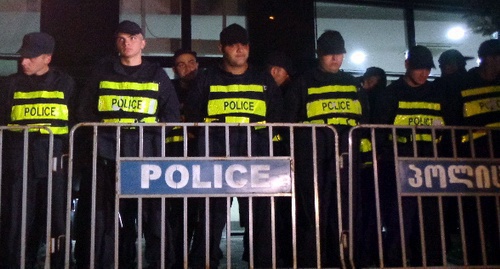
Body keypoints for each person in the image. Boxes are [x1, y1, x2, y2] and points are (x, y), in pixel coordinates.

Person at [74, 20, 181, 268]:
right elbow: (83, 111)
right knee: (107, 220)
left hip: (147, 159)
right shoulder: (101, 72)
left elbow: (172, 115)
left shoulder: (157, 75)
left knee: (154, 219)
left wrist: (149, 136)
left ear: (143, 42)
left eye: (133, 38)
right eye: (122, 38)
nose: (127, 43)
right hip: (107, 157)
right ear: (116, 43)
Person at [185, 23, 284, 268]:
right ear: (222, 48)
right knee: (211, 217)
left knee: (259, 217)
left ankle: (262, 262)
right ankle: (203, 262)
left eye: (244, 44)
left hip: (256, 159)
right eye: (233, 45)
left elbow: (276, 116)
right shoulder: (206, 79)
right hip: (216, 158)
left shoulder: (263, 79)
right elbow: (193, 113)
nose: (240, 50)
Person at [285, 30, 367, 267]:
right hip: (312, 159)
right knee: (314, 213)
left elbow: (363, 121)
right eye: (330, 54)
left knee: (347, 212)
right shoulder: (303, 83)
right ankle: (312, 261)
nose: (335, 59)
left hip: (345, 158)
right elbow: (289, 120)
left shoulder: (353, 84)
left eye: (339, 54)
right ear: (319, 54)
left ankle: (346, 258)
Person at [0, 32, 76, 268]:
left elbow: (74, 121)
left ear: (47, 58)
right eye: (23, 57)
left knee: (57, 220)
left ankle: (60, 263)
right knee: (16, 221)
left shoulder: (66, 83)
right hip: (19, 163)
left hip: (54, 163)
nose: (24, 62)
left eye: (31, 58)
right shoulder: (9, 84)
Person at [372, 45, 447, 267]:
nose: (424, 73)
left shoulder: (436, 93)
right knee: (399, 217)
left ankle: (428, 259)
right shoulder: (391, 94)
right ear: (407, 66)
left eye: (427, 69)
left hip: (431, 165)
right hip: (400, 165)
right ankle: (394, 259)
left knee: (430, 215)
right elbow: (380, 131)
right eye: (419, 68)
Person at [458, 39, 500, 266]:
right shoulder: (466, 83)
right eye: (494, 58)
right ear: (484, 59)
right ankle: (476, 257)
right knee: (477, 211)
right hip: (475, 157)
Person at [168, 48, 202, 268]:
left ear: (197, 65)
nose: (187, 67)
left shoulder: (207, 87)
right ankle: (177, 259)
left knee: (202, 212)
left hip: (203, 157)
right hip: (174, 157)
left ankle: (201, 258)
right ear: (174, 70)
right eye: (181, 64)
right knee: (177, 213)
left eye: (191, 62)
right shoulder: (169, 90)